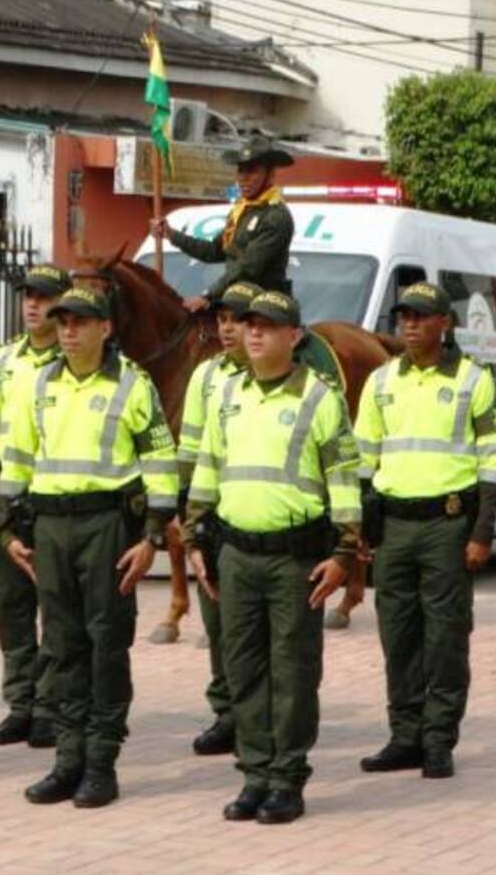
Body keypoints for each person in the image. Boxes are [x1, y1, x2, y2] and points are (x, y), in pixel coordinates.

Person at [182, 290, 360, 825]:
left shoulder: (320, 399)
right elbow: (208, 469)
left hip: (294, 558)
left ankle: (286, 778)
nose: (253, 333)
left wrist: (345, 552)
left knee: (293, 671)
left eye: (267, 325)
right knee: (243, 668)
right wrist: (193, 537)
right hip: (236, 554)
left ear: (294, 336)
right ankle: (255, 774)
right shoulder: (227, 394)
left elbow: (344, 479)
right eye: (248, 324)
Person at [0, 286, 177, 809]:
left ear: (106, 328)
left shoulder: (133, 384)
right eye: (63, 322)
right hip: (51, 528)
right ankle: (67, 759)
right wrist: (8, 531)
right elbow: (17, 460)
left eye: (80, 322)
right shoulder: (38, 384)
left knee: (106, 647)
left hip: (107, 528)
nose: (69, 331)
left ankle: (101, 763)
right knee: (61, 648)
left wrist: (151, 537)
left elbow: (160, 464)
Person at [354, 282, 496, 780]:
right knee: (397, 635)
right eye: (404, 316)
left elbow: (493, 462)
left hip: (447, 526)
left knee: (445, 638)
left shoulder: (472, 380)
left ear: (445, 323)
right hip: (394, 528)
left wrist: (481, 532)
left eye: (421, 316)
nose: (410, 324)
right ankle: (405, 737)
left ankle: (439, 740)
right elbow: (363, 458)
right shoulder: (381, 381)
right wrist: (360, 526)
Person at [0, 264, 71, 749]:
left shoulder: (74, 361)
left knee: (54, 601)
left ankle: (51, 704)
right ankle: (21, 702)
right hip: (6, 490)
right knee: (10, 603)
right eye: (28, 296)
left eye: (43, 297)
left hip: (52, 492)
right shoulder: (4, 359)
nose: (32, 305)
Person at [175, 280, 260, 758]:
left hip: (259, 515)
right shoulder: (205, 376)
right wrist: (187, 511)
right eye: (222, 320)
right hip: (215, 513)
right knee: (218, 618)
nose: (227, 329)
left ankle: (258, 716)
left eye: (237, 320)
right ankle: (226, 712)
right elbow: (189, 447)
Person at [151, 135, 294, 313]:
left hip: (265, 306)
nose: (243, 178)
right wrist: (172, 235)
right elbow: (214, 251)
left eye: (252, 171)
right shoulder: (241, 211)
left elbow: (247, 269)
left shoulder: (275, 216)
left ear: (270, 175)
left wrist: (207, 296)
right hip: (235, 299)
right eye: (241, 171)